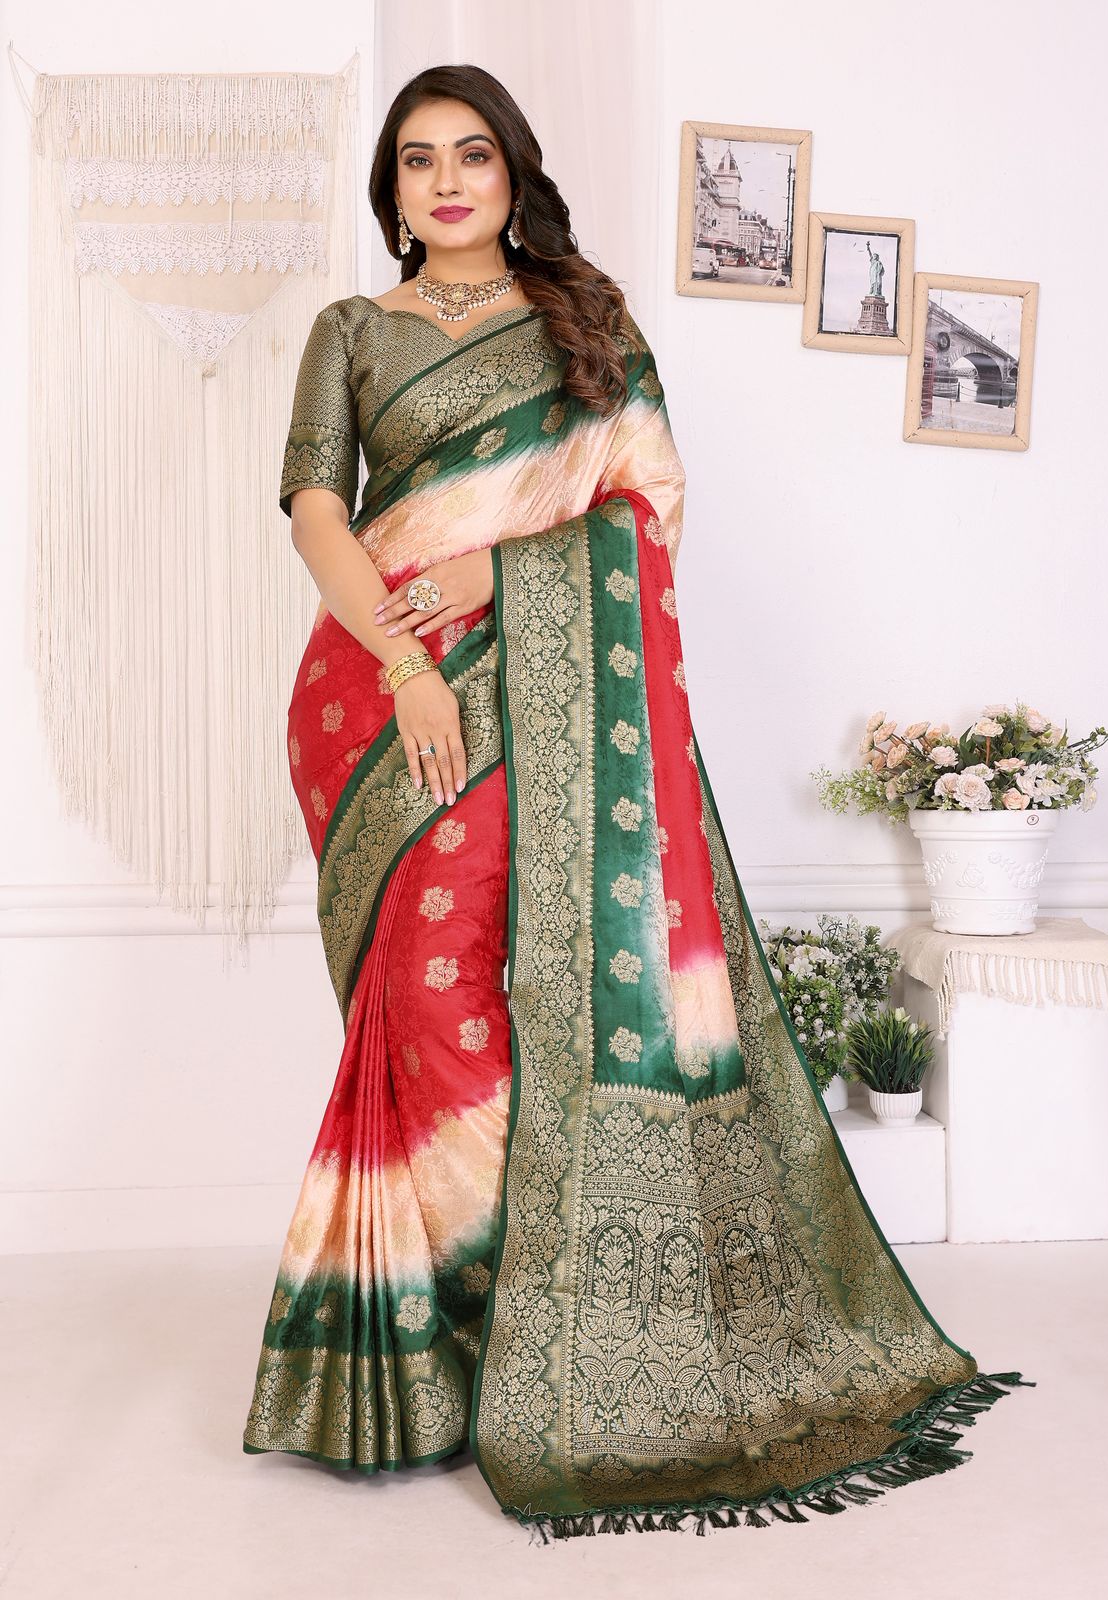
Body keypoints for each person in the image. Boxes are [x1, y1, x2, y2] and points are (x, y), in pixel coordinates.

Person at [241, 62, 1031, 1541]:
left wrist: (504, 577)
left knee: (509, 989)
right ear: (391, 190)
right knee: (419, 1003)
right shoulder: (348, 332)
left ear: (514, 170)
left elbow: (645, 514)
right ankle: (422, 1357)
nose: (448, 181)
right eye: (418, 161)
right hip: (379, 697)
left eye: (473, 154)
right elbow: (316, 513)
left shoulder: (583, 326)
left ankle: (531, 1340)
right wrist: (408, 661)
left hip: (546, 690)